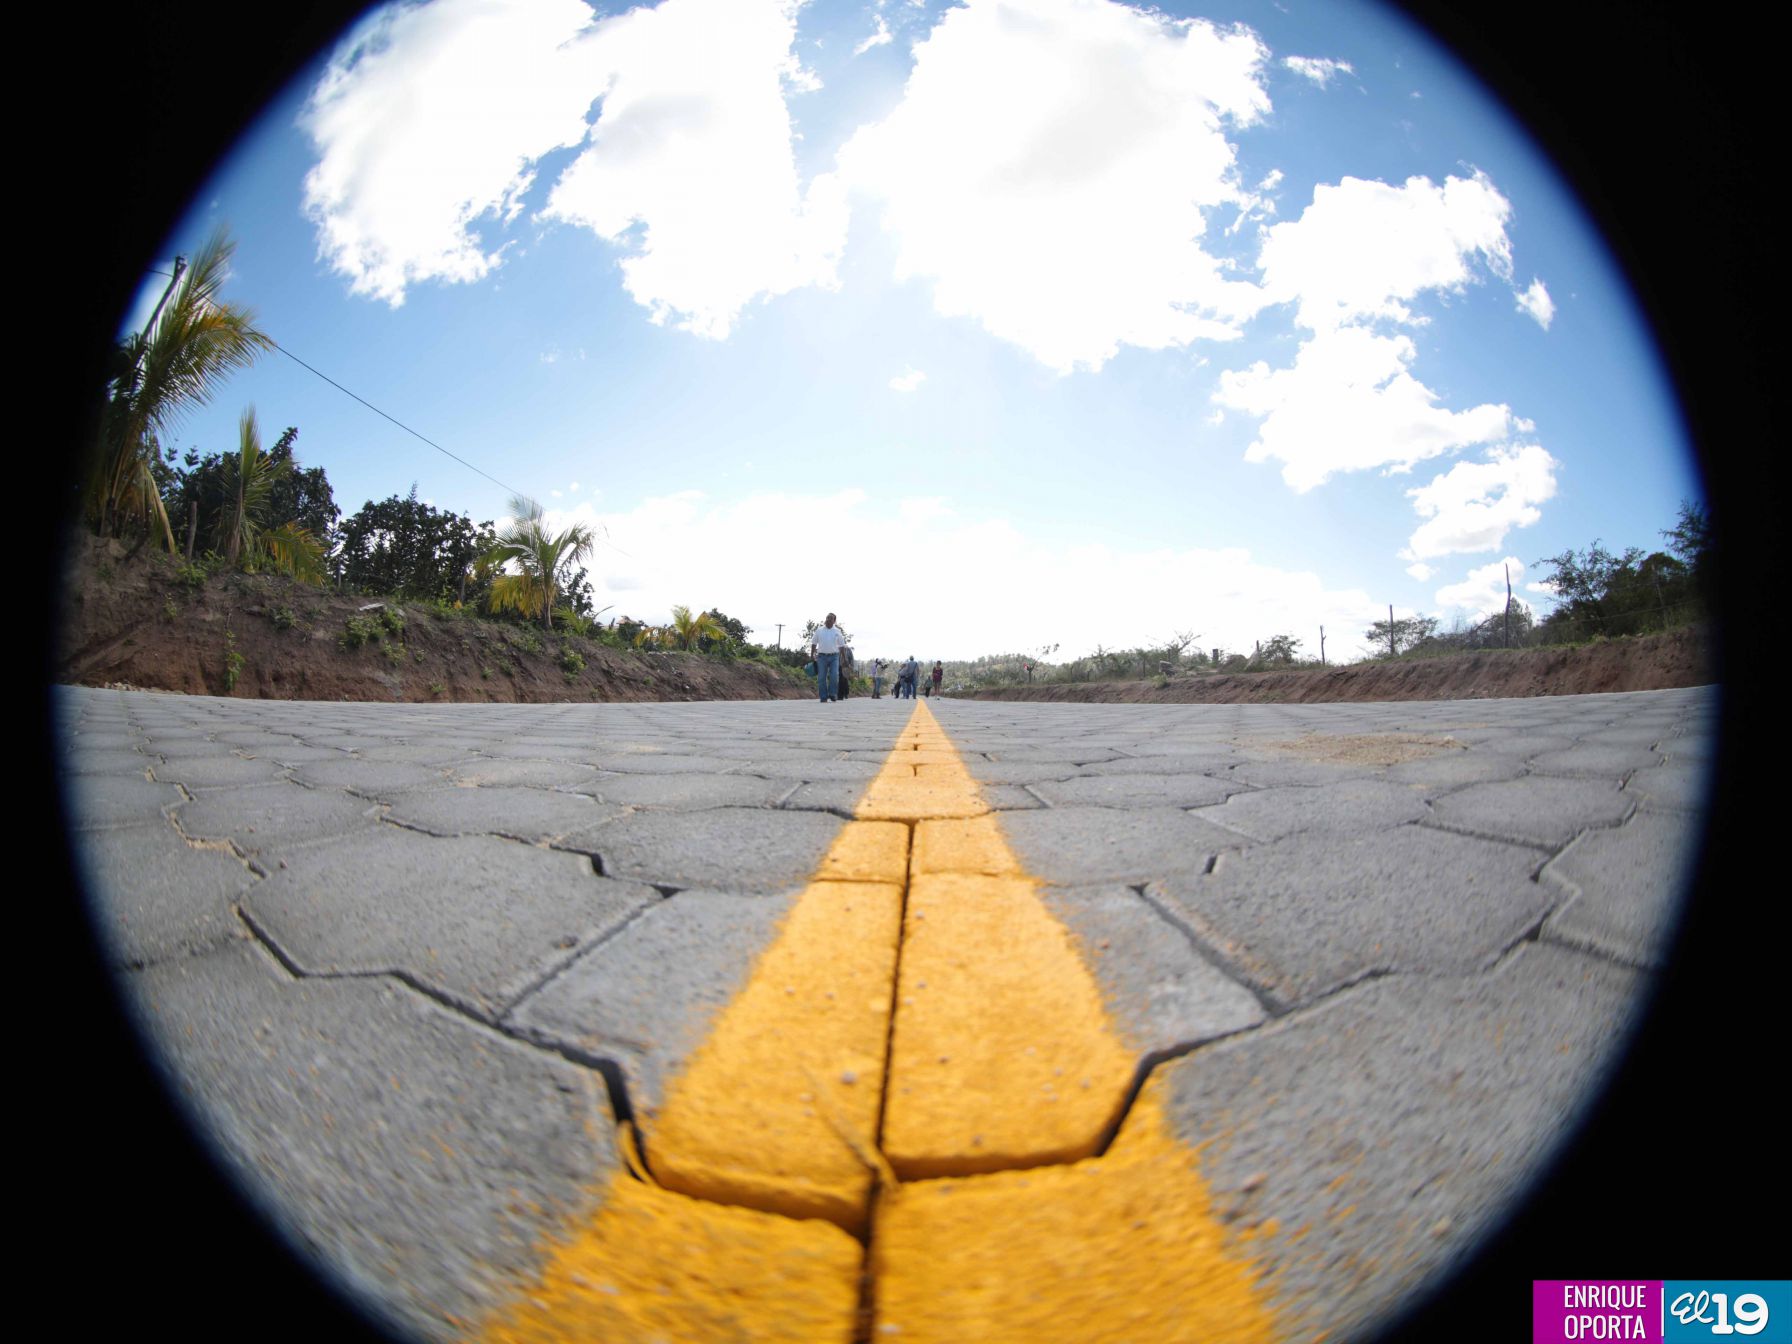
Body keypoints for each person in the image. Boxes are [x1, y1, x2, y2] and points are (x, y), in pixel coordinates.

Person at [812, 613, 844, 703]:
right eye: (827, 618)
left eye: (830, 619)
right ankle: (823, 696)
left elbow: (841, 645)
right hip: (821, 656)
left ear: (834, 621)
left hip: (834, 656)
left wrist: (844, 659)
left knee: (834, 675)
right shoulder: (819, 630)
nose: (828, 620)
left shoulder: (837, 631)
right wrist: (812, 655)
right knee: (821, 677)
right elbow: (814, 643)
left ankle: (832, 694)